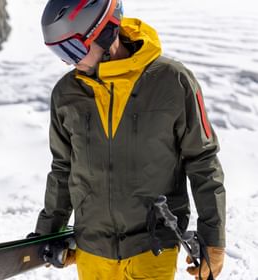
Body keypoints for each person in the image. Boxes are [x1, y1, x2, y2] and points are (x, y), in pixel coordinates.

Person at [32, 0, 226, 279]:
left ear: (104, 32)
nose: (69, 61)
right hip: (92, 248)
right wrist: (49, 232)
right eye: (59, 52)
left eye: (73, 49)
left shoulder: (172, 81)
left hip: (152, 246)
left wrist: (214, 239)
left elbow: (202, 160)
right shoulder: (66, 94)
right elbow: (64, 167)